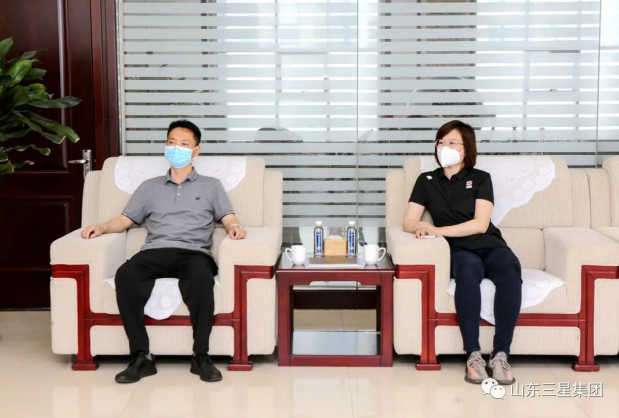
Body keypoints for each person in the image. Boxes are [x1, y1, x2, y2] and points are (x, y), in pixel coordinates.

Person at [81, 120, 247, 384]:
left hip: (194, 253)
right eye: (171, 142)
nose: (176, 148)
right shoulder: (149, 187)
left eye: (184, 144)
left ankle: (201, 356)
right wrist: (101, 227)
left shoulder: (211, 185)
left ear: (196, 151)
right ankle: (141, 357)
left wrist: (235, 228)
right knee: (126, 275)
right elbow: (124, 220)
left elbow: (228, 217)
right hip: (155, 251)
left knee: (200, 278)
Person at [403, 120, 521, 385]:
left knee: (510, 270)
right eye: (440, 142)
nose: (444, 147)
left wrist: (437, 229)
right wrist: (419, 228)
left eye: (452, 142)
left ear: (466, 149)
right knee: (467, 272)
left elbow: (480, 224)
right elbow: (409, 220)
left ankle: (501, 354)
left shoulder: (481, 178)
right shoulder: (426, 180)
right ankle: (473, 355)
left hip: (491, 244)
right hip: (458, 249)